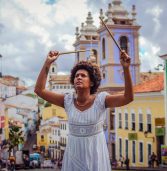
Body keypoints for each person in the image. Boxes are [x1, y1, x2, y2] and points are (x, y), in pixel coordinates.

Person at [34, 50, 133, 171]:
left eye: (83, 75)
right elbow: (39, 90)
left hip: (95, 157)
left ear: (91, 82)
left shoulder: (101, 100)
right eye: (76, 76)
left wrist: (126, 69)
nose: (79, 77)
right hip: (73, 157)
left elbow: (128, 98)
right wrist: (47, 63)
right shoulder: (67, 100)